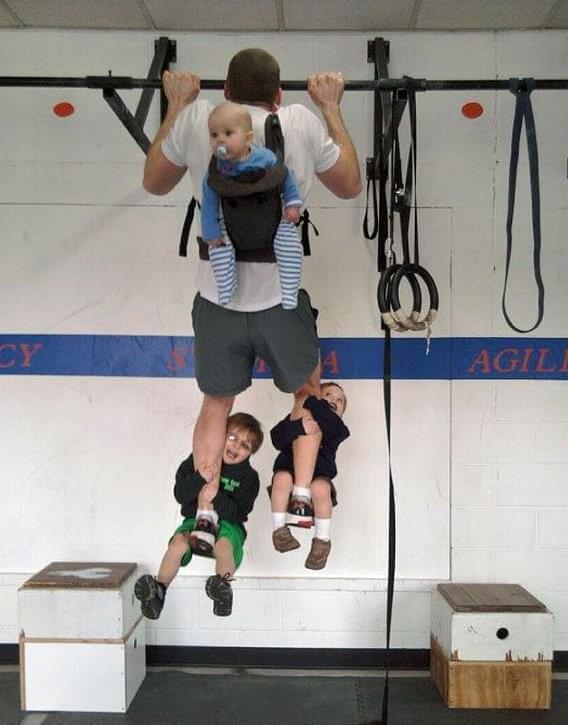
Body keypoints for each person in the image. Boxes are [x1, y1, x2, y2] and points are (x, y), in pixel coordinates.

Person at [143, 49, 361, 516]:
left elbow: (154, 181)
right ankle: (302, 494)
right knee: (307, 391)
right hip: (281, 300)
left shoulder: (202, 120)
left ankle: (205, 512)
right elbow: (350, 183)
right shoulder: (300, 122)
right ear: (279, 96)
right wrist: (332, 107)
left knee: (216, 405)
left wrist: (178, 104)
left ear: (226, 92)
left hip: (216, 298)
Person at [134, 412, 263, 618]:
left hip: (227, 525)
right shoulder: (197, 461)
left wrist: (217, 498)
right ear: (220, 436)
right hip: (195, 521)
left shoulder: (249, 478)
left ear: (250, 453)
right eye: (232, 437)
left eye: (245, 445)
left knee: (224, 546)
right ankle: (158, 591)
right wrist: (199, 477)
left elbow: (240, 513)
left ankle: (223, 590)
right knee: (178, 543)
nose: (237, 446)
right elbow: (180, 494)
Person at [202, 101, 303, 309]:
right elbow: (209, 200)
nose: (219, 140)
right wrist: (210, 230)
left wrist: (292, 204)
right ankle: (226, 288)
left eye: (228, 133)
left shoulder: (265, 158)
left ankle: (290, 291)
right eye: (214, 135)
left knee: (291, 243)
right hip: (232, 224)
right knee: (218, 248)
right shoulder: (217, 170)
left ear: (247, 137)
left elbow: (285, 177)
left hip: (271, 223)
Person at [269, 382, 349, 570]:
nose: (333, 400)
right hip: (290, 474)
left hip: (320, 476)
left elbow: (334, 428)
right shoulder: (297, 417)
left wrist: (309, 401)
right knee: (281, 479)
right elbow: (276, 438)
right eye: (328, 394)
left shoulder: (336, 428)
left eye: (340, 400)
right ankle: (280, 532)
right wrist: (298, 427)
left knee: (320, 488)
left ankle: (322, 542)